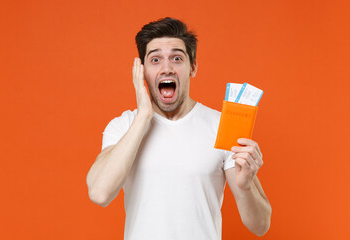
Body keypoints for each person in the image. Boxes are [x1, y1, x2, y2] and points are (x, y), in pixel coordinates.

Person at [86, 17, 272, 240]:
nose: (167, 68)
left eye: (176, 58)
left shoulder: (222, 125)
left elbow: (260, 225)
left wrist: (246, 186)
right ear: (142, 71)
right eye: (155, 60)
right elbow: (99, 193)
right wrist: (144, 116)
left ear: (192, 67)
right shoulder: (123, 126)